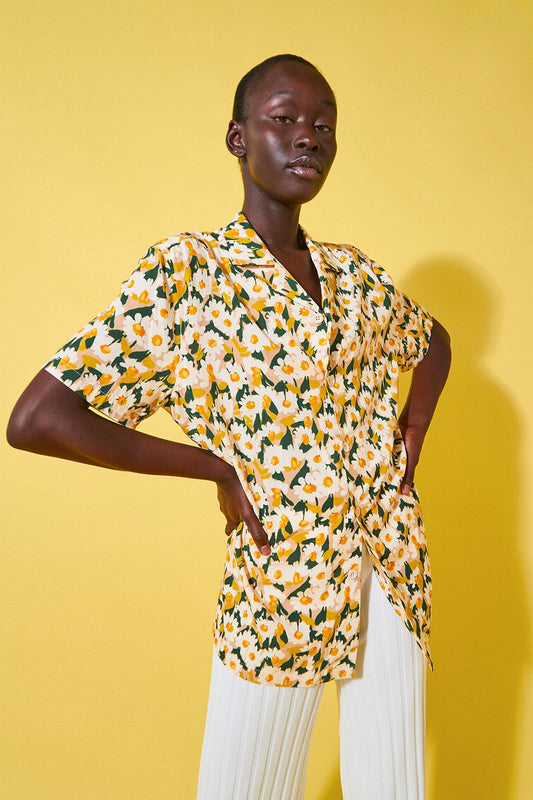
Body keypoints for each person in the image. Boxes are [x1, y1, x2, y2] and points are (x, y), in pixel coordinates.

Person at [7, 54, 451, 799]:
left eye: (323, 126)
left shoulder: (356, 275)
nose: (307, 138)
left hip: (392, 569)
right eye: (284, 119)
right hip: (283, 576)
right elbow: (37, 418)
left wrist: (414, 428)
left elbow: (430, 339)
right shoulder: (191, 273)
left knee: (393, 787)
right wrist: (215, 467)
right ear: (237, 138)